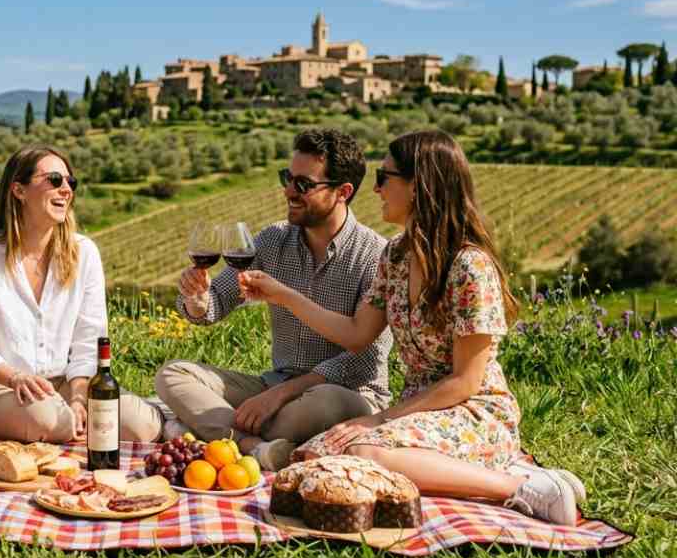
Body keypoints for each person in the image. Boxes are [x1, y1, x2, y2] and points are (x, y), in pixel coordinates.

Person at [238, 130, 584, 525]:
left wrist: (377, 420)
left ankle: (522, 488)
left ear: (418, 187)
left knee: (360, 454)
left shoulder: (469, 267)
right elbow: (355, 333)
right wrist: (284, 295)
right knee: (313, 456)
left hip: (470, 411)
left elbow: (465, 382)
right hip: (415, 412)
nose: (376, 190)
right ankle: (509, 476)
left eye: (384, 178)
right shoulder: (397, 255)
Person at [155, 128, 393, 471]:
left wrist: (280, 395)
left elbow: (365, 361)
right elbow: (215, 303)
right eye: (287, 178)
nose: (288, 191)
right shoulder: (273, 239)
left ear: (343, 192)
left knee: (328, 405)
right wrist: (197, 298)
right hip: (274, 384)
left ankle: (207, 430)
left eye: (303, 184)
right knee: (173, 375)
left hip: (342, 393)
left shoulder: (374, 256)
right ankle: (254, 446)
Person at [0, 145, 163, 444]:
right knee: (49, 418)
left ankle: (61, 426)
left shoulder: (84, 252)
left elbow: (89, 337)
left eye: (70, 182)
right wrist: (15, 377)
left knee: (141, 426)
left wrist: (79, 397)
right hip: (6, 388)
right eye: (54, 180)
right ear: (19, 190)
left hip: (66, 384)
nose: (66, 189)